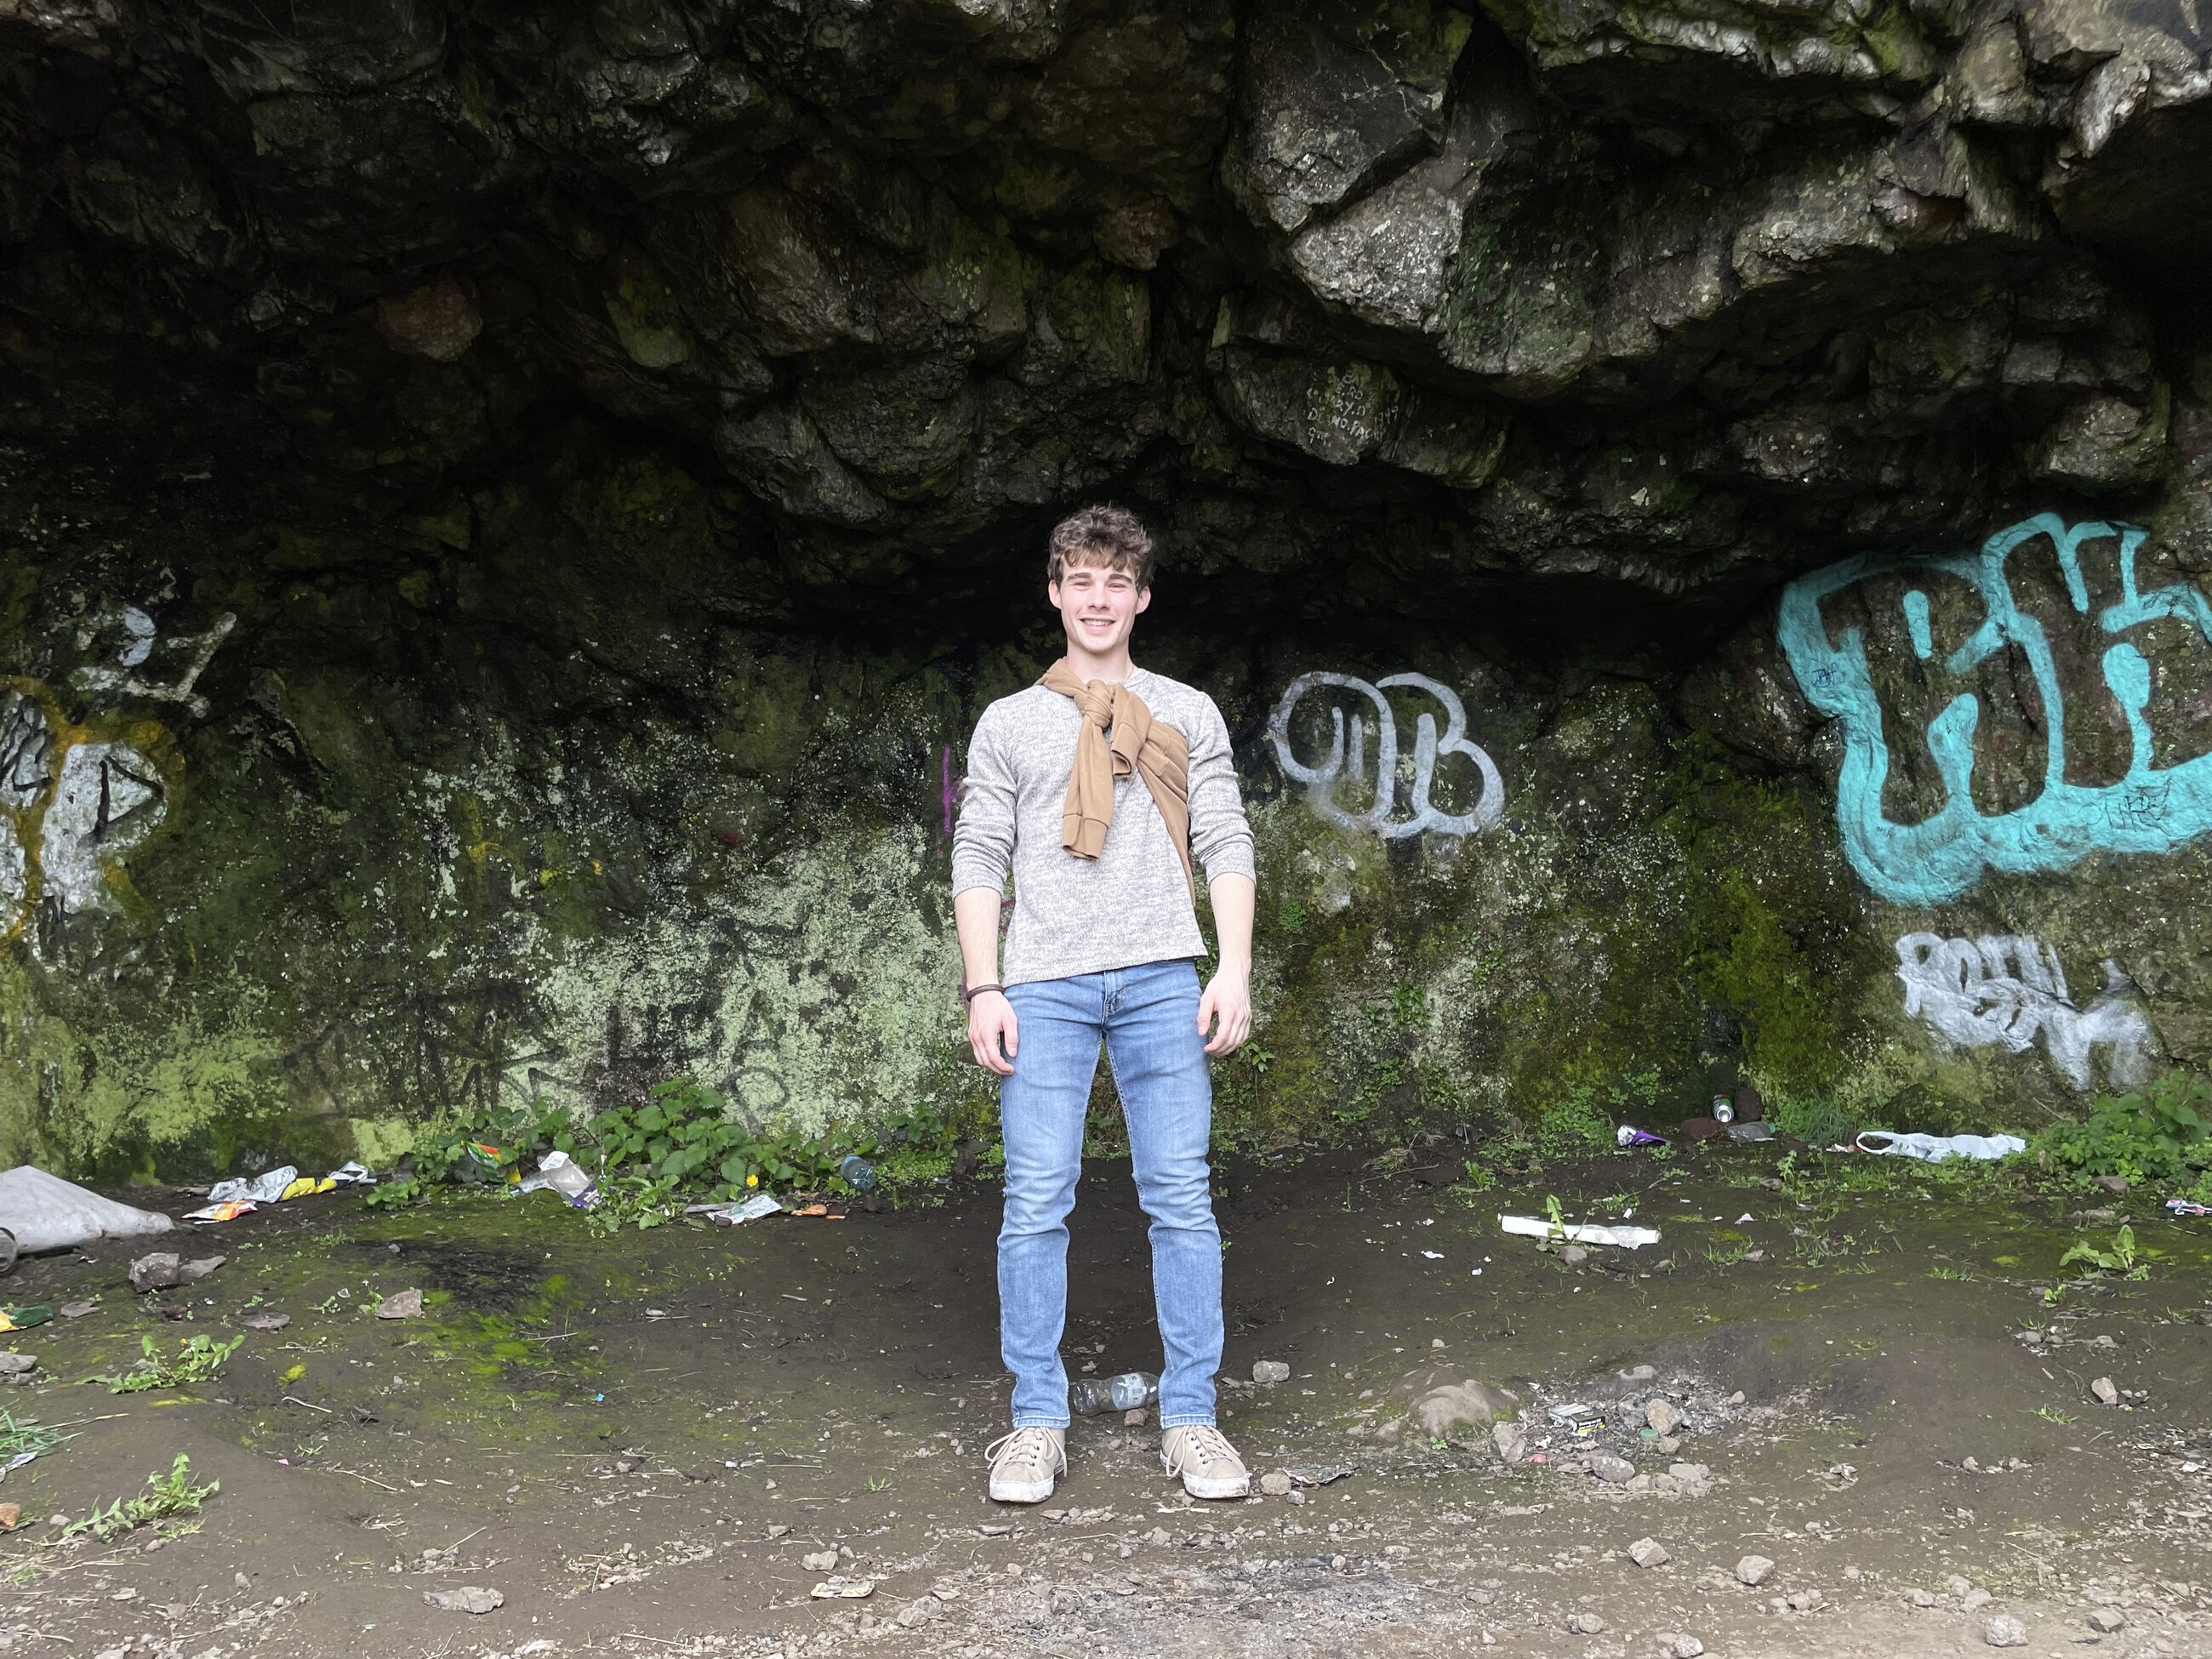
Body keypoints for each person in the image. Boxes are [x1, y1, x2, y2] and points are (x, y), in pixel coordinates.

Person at [951, 504, 1258, 1504]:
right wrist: (982, 984)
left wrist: (1233, 969)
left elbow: (1225, 841)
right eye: (1079, 580)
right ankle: (1035, 1421)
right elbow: (978, 855)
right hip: (1042, 984)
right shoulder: (1009, 722)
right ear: (1054, 593)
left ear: (1141, 597)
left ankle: (1192, 1418)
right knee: (1035, 1200)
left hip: (1163, 973)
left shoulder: (1186, 712)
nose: (1096, 598)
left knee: (1180, 1197)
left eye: (1115, 582)